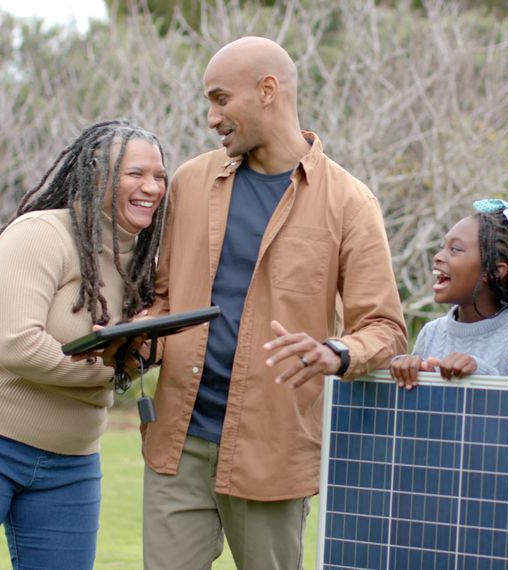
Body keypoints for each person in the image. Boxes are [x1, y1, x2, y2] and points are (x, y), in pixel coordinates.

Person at [138, 37, 407, 569]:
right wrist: (136, 334)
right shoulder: (191, 182)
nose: (211, 118)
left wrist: (337, 351)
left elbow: (384, 327)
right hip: (177, 444)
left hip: (273, 453)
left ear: (267, 91)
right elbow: (163, 297)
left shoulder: (350, 202)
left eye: (220, 99)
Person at [0, 120, 168, 570]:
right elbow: (16, 345)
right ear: (96, 173)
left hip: (72, 461)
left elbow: (129, 356)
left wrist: (142, 355)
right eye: (135, 173)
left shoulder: (145, 262)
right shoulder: (40, 234)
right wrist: (111, 372)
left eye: (160, 176)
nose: (152, 187)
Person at [389, 199, 508, 388]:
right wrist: (408, 371)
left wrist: (479, 375)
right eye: (442, 246)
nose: (438, 257)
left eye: (455, 249)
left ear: (495, 271)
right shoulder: (431, 333)